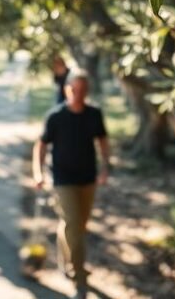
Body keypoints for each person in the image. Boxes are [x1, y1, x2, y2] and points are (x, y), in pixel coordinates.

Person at [33, 69, 110, 298]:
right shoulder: (55, 116)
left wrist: (105, 167)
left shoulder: (94, 114)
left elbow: (103, 141)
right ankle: (79, 278)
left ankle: (64, 258)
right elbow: (41, 145)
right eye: (74, 89)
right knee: (74, 225)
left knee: (76, 226)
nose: (78, 94)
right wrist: (38, 173)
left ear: (87, 92)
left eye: (82, 90)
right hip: (62, 179)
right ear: (66, 89)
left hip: (87, 178)